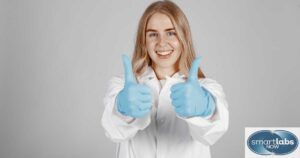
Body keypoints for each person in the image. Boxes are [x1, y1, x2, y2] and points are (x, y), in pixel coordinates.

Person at [101, 1, 229, 158]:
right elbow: (114, 132)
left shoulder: (207, 88)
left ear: (183, 38)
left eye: (171, 33)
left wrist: (205, 108)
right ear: (144, 41)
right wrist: (121, 108)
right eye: (153, 34)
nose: (162, 42)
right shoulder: (121, 85)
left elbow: (211, 135)